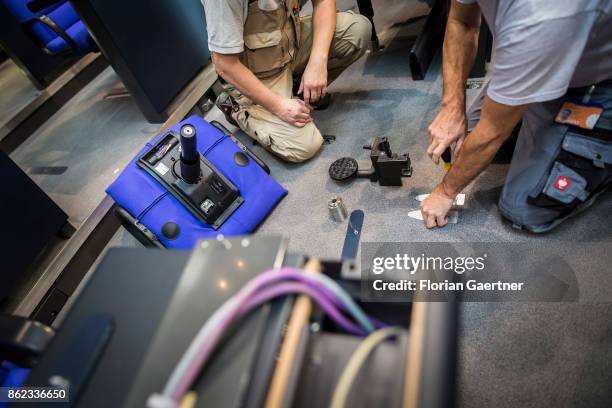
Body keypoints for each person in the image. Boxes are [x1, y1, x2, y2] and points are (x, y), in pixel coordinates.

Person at [421, 0, 612, 231]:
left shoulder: (541, 15)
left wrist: (445, 192)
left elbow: (492, 133)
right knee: (469, 141)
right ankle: (524, 91)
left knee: (522, 209)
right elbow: (461, 21)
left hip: (594, 84)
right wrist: (451, 106)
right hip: (540, 51)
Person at [202, 0, 372, 163]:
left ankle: (297, 88)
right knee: (305, 146)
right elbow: (224, 64)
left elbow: (323, 2)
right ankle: (237, 108)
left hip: (292, 44)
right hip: (258, 76)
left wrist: (317, 61)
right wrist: (278, 106)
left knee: (357, 31)